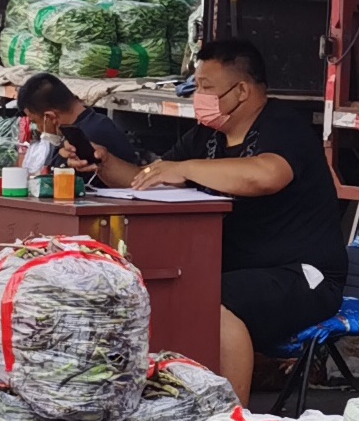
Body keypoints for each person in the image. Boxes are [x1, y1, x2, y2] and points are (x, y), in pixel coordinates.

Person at [103, 37, 342, 400]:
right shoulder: (206, 137)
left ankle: (231, 417)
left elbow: (265, 175)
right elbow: (149, 177)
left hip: (305, 275)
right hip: (240, 271)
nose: (198, 95)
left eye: (205, 87)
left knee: (212, 298)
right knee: (170, 289)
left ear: (242, 90)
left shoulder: (284, 126)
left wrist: (185, 168)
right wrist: (102, 162)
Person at [16, 72, 134, 175]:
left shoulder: (89, 135)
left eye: (35, 122)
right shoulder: (93, 124)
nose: (38, 129)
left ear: (50, 117)